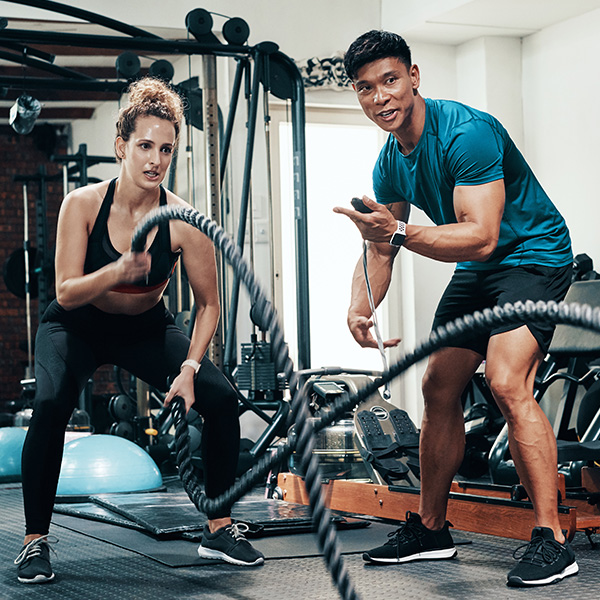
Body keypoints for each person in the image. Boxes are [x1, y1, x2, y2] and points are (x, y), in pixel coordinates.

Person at [334, 30, 578, 588]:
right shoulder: (390, 163)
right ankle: (432, 529)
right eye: (365, 88)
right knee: (437, 386)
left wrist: (396, 230)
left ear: (414, 78)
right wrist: (359, 306)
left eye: (390, 81)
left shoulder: (467, 133)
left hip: (533, 256)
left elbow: (484, 236)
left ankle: (551, 540)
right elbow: (379, 247)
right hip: (480, 270)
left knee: (506, 377)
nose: (380, 98)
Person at [14, 77, 264, 584]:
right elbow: (64, 292)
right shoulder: (82, 205)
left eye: (167, 149)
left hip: (145, 328)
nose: (156, 159)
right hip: (76, 324)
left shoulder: (186, 220)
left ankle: (218, 528)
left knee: (220, 401)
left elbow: (210, 303)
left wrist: (191, 368)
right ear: (121, 146)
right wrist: (114, 272)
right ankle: (34, 541)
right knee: (51, 403)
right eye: (145, 146)